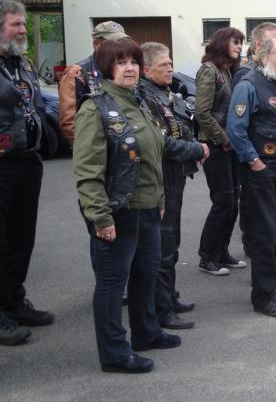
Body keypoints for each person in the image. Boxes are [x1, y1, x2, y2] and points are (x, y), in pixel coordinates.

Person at [74, 38, 205, 373]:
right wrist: (100, 217)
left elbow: (156, 151)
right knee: (112, 284)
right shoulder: (95, 109)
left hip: (148, 208)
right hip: (118, 211)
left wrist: (159, 200)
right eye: (121, 63)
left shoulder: (138, 102)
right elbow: (88, 172)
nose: (129, 68)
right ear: (107, 68)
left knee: (146, 274)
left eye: (133, 62)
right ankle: (115, 354)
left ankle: (146, 332)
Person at [227, 38, 276, 316]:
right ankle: (263, 297)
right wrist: (254, 161)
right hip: (262, 171)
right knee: (264, 232)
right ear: (264, 57)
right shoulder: (248, 85)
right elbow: (235, 129)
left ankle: (270, 288)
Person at [139, 42, 207, 330]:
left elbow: (181, 127)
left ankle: (169, 297)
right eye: (164, 64)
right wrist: (196, 149)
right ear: (146, 70)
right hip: (161, 178)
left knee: (171, 242)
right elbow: (161, 142)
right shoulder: (144, 97)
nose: (170, 68)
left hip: (175, 176)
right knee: (163, 246)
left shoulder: (166, 93)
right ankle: (162, 310)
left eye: (170, 63)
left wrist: (193, 144)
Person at [0, 0, 53, 346]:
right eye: (15, 25)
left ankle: (14, 302)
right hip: (2, 165)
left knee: (22, 238)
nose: (22, 31)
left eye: (23, 24)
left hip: (28, 162)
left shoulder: (23, 64)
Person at [196, 27, 247, 276]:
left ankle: (222, 252)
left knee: (233, 202)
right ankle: (207, 256)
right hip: (215, 146)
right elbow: (202, 113)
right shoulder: (209, 70)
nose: (239, 47)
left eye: (241, 43)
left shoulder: (226, 70)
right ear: (222, 43)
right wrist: (223, 138)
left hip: (229, 146)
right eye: (235, 42)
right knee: (223, 202)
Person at [231, 22, 276, 258]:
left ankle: (272, 260)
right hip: (259, 159)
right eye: (275, 42)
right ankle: (253, 247)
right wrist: (254, 160)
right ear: (260, 46)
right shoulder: (247, 77)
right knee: (256, 213)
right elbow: (237, 124)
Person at [59, 21, 130, 144]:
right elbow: (69, 122)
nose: (120, 47)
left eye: (122, 42)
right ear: (96, 44)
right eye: (114, 43)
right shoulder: (77, 72)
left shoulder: (126, 69)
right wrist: (90, 149)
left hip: (126, 144)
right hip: (96, 147)